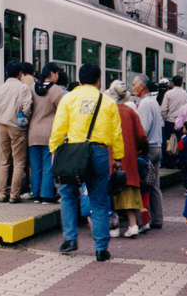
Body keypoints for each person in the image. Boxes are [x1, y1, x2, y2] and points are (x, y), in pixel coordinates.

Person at [49, 63, 124, 261]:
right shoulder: (107, 102)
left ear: (80, 81)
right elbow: (116, 132)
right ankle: (101, 249)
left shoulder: (69, 98)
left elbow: (58, 128)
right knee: (99, 200)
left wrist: (54, 150)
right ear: (99, 81)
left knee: (68, 195)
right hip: (99, 153)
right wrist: (117, 157)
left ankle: (70, 239)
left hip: (74, 153)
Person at [105, 80, 147, 238]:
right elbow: (142, 135)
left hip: (110, 157)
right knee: (129, 191)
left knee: (111, 192)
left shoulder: (108, 111)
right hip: (129, 158)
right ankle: (133, 225)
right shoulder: (131, 112)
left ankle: (114, 228)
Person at [0, 61, 32, 203]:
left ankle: (2, 194)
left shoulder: (0, 88)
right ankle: (14, 195)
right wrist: (25, 118)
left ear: (6, 73)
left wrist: (0, 120)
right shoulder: (22, 88)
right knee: (19, 162)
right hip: (17, 128)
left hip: (2, 126)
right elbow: (27, 107)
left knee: (4, 162)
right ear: (20, 74)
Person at [28, 63, 65, 204]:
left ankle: (36, 195)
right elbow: (63, 111)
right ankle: (47, 196)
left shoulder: (32, 88)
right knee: (48, 165)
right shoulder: (57, 91)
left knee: (36, 166)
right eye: (57, 74)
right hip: (49, 133)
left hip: (33, 133)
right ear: (53, 73)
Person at [132, 74, 163, 229]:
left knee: (143, 186)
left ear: (141, 86)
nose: (133, 88)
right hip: (157, 146)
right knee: (155, 185)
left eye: (134, 84)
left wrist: (137, 149)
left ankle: (144, 221)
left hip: (148, 148)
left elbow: (142, 131)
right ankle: (158, 219)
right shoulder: (154, 102)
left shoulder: (144, 104)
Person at [161, 75, 187, 168]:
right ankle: (180, 162)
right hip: (181, 121)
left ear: (172, 83)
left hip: (170, 120)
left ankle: (170, 162)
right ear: (181, 83)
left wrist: (165, 118)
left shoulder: (168, 93)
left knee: (169, 142)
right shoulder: (185, 93)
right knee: (180, 141)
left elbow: (163, 109)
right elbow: (185, 107)